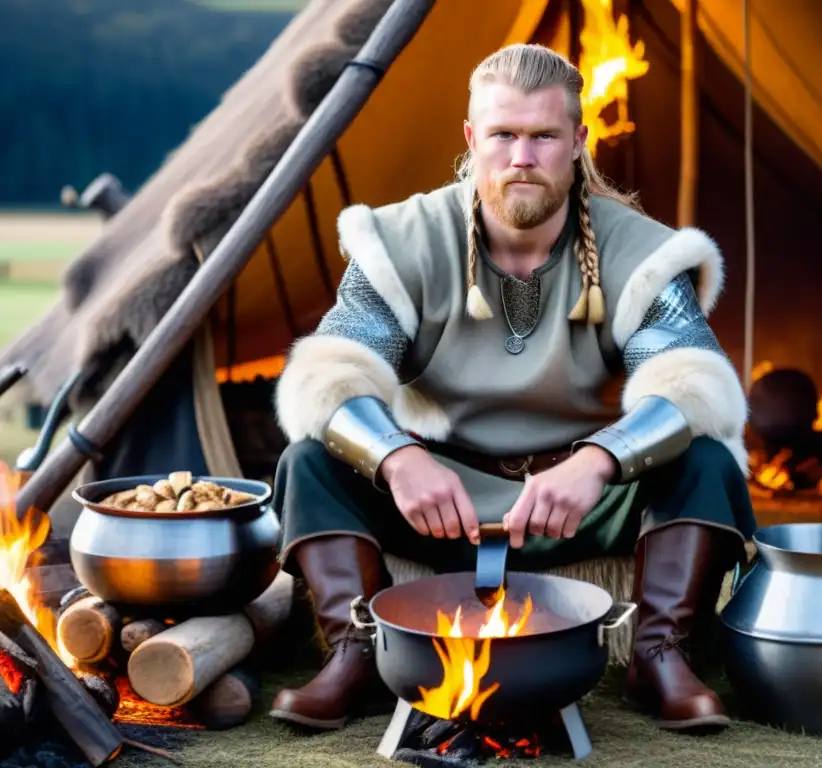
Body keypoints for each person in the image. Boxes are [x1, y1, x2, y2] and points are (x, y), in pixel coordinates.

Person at [267, 43, 756, 733]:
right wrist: (398, 460)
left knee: (704, 456)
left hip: (586, 500)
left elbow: (694, 388)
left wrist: (599, 462)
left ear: (578, 141)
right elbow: (329, 376)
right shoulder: (404, 239)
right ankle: (362, 653)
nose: (521, 157)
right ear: (473, 138)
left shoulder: (639, 251)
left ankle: (658, 654)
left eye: (544, 136)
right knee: (311, 461)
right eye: (503, 135)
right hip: (442, 495)